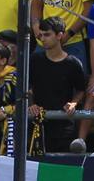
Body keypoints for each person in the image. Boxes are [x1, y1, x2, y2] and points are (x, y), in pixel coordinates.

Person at [28, 16, 87, 154]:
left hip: (63, 127)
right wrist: (31, 104)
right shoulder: (35, 60)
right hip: (38, 125)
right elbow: (27, 87)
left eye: (47, 34)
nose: (42, 39)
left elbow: (81, 90)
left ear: (60, 35)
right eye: (40, 35)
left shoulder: (73, 63)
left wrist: (74, 103)